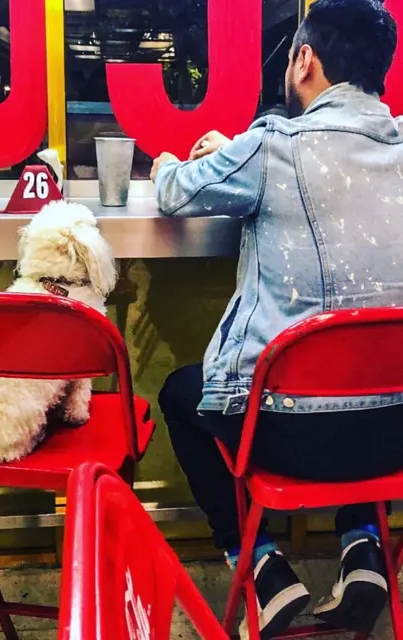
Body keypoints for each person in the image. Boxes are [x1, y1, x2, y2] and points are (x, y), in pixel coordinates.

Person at [150, 0, 403, 638]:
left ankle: (261, 566)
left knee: (182, 393)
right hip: (394, 433)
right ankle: (363, 547)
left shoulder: (271, 146)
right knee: (362, 368)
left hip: (284, 435)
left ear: (304, 60)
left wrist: (170, 162)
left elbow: (174, 193)